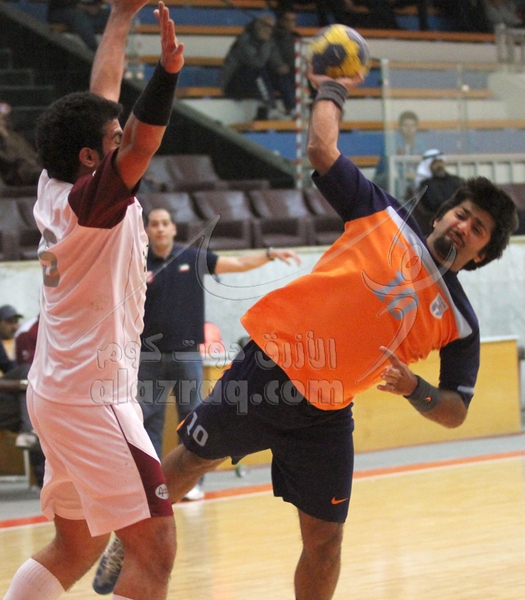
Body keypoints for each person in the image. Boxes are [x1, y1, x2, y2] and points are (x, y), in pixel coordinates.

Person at [93, 70, 519, 598]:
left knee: (325, 541)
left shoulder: (460, 322)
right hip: (267, 371)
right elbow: (321, 149)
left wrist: (416, 389)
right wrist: (331, 87)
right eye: (462, 213)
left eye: (477, 229)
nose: (463, 226)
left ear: (481, 254)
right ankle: (128, 537)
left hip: (327, 412)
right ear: (443, 213)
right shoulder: (383, 214)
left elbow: (455, 410)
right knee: (190, 460)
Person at [2, 1, 184, 599]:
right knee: (154, 546)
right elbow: (143, 141)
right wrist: (167, 73)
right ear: (91, 157)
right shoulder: (92, 206)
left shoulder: (55, 182)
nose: (120, 137)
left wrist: (121, 16)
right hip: (93, 397)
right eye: (112, 139)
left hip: (55, 392)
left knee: (77, 544)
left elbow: (101, 96)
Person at [138, 208, 301, 497]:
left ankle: (190, 485)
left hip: (187, 354)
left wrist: (269, 254)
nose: (160, 228)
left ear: (173, 228)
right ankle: (151, 486)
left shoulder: (191, 257)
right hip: (147, 357)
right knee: (148, 421)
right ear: (147, 230)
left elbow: (236, 263)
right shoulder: (138, 262)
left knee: (191, 418)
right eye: (154, 224)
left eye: (165, 223)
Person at [219, 13, 295, 119]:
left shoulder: (270, 41)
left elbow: (276, 62)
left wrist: (281, 67)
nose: (269, 30)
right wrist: (266, 43)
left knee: (283, 74)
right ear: (258, 25)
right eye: (266, 26)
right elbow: (256, 63)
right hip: (233, 83)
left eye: (271, 27)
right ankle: (270, 107)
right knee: (260, 71)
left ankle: (292, 108)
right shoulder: (245, 40)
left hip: (252, 81)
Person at [374, 109, 425, 197]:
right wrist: (405, 174)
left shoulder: (421, 145)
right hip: (385, 178)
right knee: (397, 179)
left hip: (411, 179)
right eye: (406, 125)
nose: (409, 129)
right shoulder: (392, 143)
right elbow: (388, 168)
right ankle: (399, 203)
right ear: (400, 127)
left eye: (412, 126)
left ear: (416, 127)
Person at [413, 149, 464, 235]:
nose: (439, 165)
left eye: (440, 162)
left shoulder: (456, 181)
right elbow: (434, 204)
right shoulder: (426, 185)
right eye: (435, 163)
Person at [0, 103, 42, 188]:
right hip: (19, 176)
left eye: (4, 118)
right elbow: (10, 158)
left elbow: (29, 154)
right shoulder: (5, 138)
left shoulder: (14, 135)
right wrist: (4, 136)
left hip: (33, 169)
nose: (3, 122)